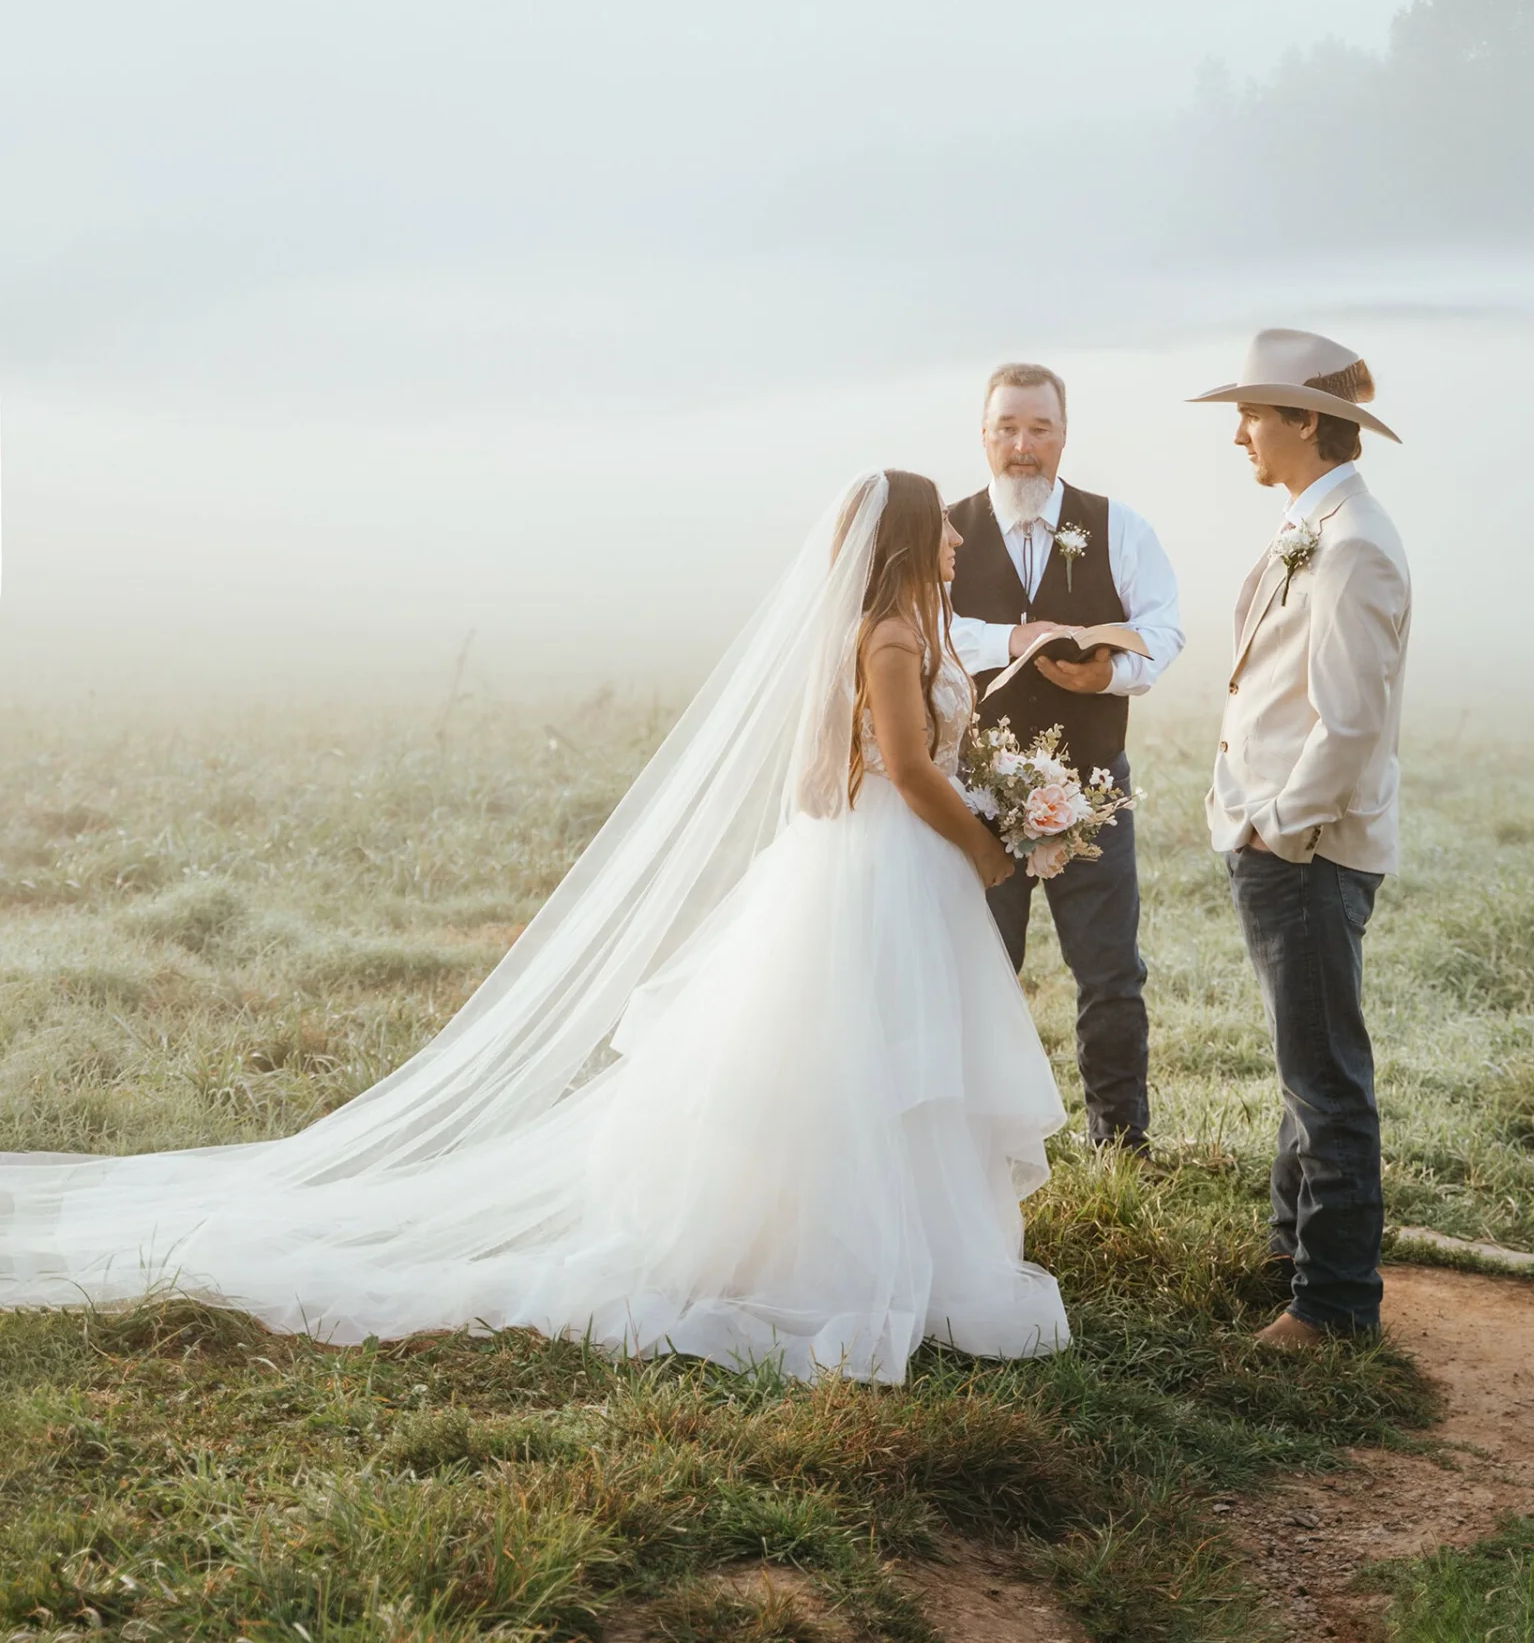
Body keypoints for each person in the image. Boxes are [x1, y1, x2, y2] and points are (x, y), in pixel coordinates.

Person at [0, 473, 1070, 1382]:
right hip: (886, 868)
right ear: (907, 538)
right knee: (864, 1062)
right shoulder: (886, 636)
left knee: (889, 1061)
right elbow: (912, 765)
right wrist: (984, 846)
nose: (960, 536)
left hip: (889, 864)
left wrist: (1008, 801)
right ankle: (840, 1259)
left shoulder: (901, 627)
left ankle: (909, 1248)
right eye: (945, 524)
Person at [1192, 328, 1411, 1350]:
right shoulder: (1314, 523)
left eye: (1254, 414)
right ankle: (1292, 1249)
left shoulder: (1355, 542)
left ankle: (1332, 1307)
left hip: (1307, 847)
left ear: (1307, 421)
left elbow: (1350, 718)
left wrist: (1281, 827)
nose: (1240, 434)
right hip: (1281, 837)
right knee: (1302, 1058)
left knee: (1324, 1074)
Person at [948, 363, 1184, 1153]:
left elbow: (1164, 628)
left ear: (1063, 435)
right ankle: (979, 1147)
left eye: (1039, 429)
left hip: (1090, 788)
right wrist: (1007, 641)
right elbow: (920, 636)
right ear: (983, 436)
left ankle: (1120, 1144)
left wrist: (1108, 672)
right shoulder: (943, 531)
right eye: (1007, 429)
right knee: (980, 972)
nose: (1023, 447)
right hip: (974, 796)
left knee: (1112, 973)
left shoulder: (1119, 527)